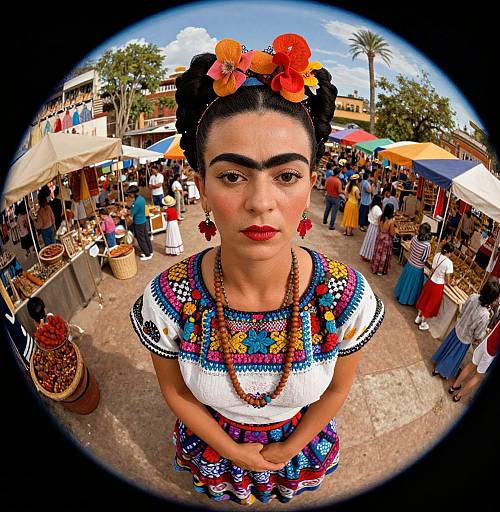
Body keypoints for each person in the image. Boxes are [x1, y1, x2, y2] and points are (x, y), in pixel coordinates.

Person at [130, 34, 384, 506]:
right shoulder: (166, 300)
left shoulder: (346, 297)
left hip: (297, 446)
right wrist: (233, 452)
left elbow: (335, 392)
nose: (261, 203)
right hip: (215, 447)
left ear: (310, 187)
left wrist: (289, 447)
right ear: (201, 188)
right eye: (232, 175)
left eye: (285, 176)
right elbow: (178, 394)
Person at [431, 277, 500, 380]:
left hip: (457, 329)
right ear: (492, 299)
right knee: (453, 356)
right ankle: (441, 371)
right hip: (465, 340)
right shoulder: (485, 315)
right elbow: (478, 334)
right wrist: (482, 335)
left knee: (447, 348)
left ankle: (437, 364)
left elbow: (462, 310)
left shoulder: (473, 297)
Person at [449, 304, 500, 402]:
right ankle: (458, 396)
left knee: (470, 365)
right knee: (478, 376)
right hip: (493, 352)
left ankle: (453, 387)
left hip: (487, 341)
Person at [415, 242, 455, 331]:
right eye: (451, 253)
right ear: (449, 252)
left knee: (425, 299)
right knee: (431, 304)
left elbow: (432, 269)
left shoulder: (437, 255)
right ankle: (423, 323)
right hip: (438, 285)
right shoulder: (449, 263)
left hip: (431, 282)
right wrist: (449, 283)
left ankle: (418, 317)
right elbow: (448, 279)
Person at [394, 223, 432, 305]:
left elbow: (410, 249)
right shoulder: (427, 245)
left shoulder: (414, 238)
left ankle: (400, 296)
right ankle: (407, 301)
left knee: (405, 282)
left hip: (409, 264)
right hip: (417, 269)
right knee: (412, 286)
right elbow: (424, 259)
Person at [126, 185, 153, 261]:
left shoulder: (136, 203)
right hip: (143, 220)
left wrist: (127, 211)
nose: (129, 195)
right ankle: (150, 251)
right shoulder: (141, 198)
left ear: (133, 193)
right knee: (145, 236)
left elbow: (131, 213)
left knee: (141, 238)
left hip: (138, 222)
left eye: (130, 193)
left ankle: (147, 254)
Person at [370, 203, 395, 276]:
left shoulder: (381, 217)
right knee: (383, 255)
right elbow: (392, 233)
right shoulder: (391, 221)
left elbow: (378, 227)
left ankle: (374, 268)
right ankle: (380, 271)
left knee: (377, 252)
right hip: (386, 239)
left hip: (380, 236)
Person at [359, 195, 383, 262]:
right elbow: (379, 219)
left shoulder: (373, 207)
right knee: (372, 242)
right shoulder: (378, 209)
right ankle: (369, 256)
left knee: (368, 241)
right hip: (375, 227)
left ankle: (365, 254)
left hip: (371, 227)